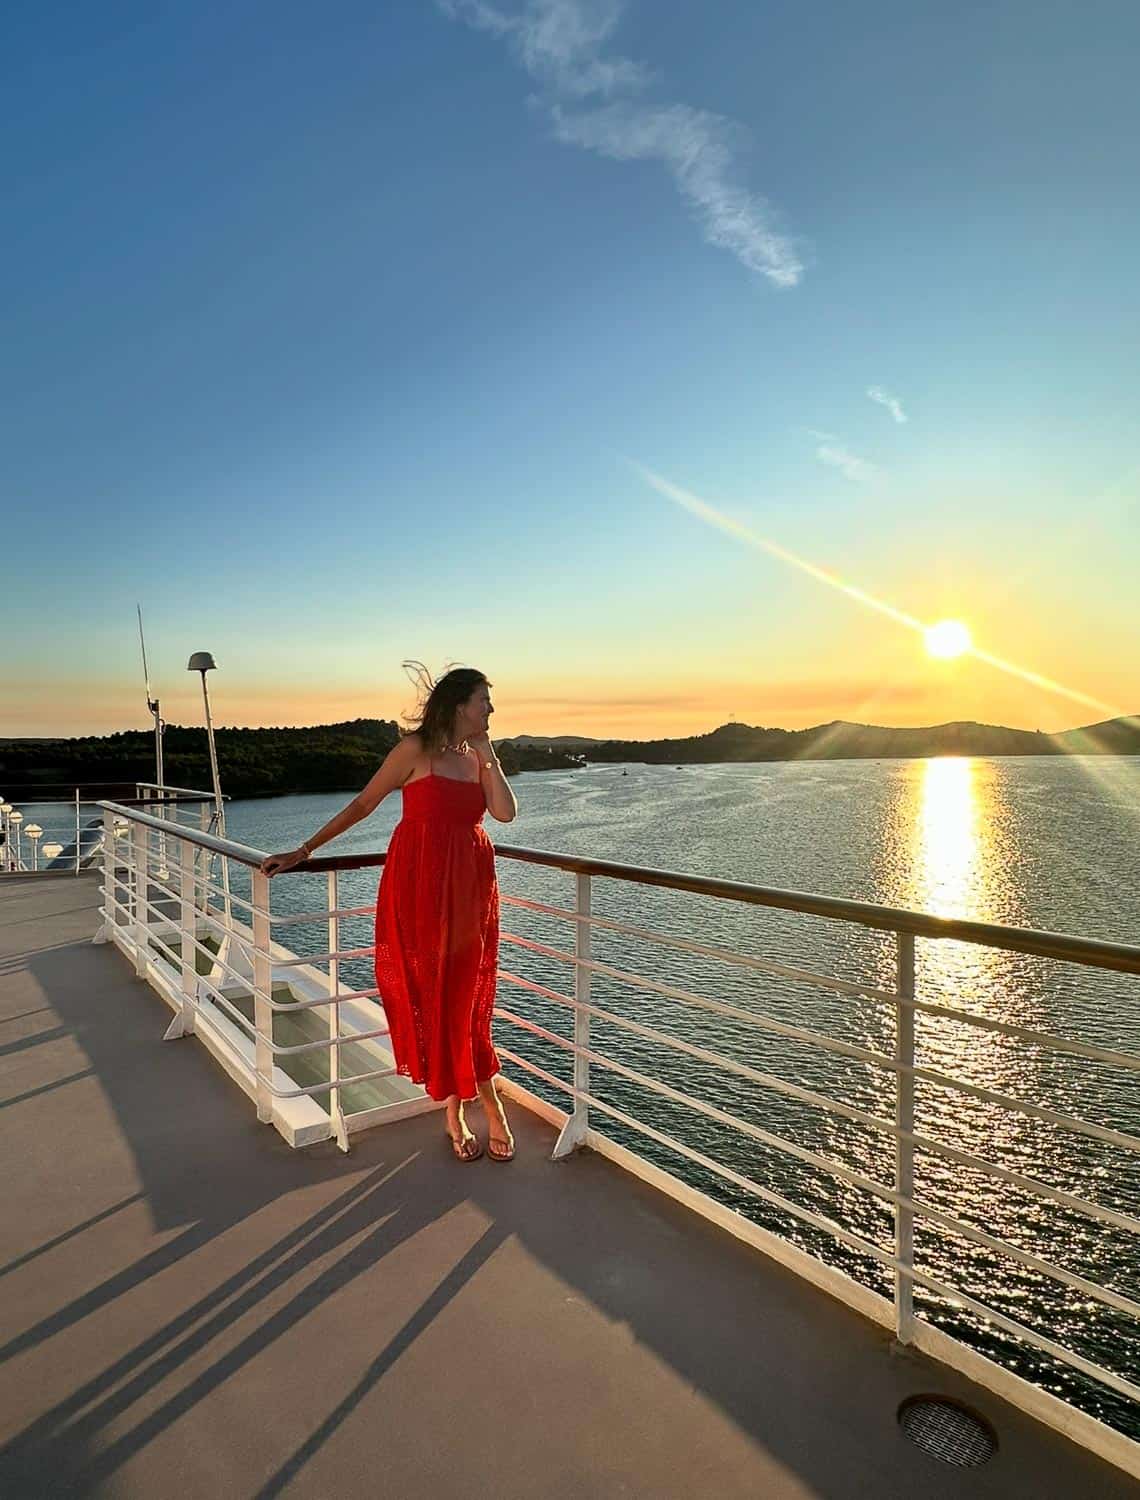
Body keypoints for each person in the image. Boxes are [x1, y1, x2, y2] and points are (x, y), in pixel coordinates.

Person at [260, 666, 518, 1162]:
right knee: (435, 994)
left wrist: (489, 756)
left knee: (469, 995)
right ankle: (454, 1110)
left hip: (469, 890)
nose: (491, 708)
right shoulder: (414, 750)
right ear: (460, 704)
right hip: (419, 888)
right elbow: (363, 805)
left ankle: (489, 1106)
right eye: (485, 700)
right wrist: (305, 849)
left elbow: (504, 813)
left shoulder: (476, 759)